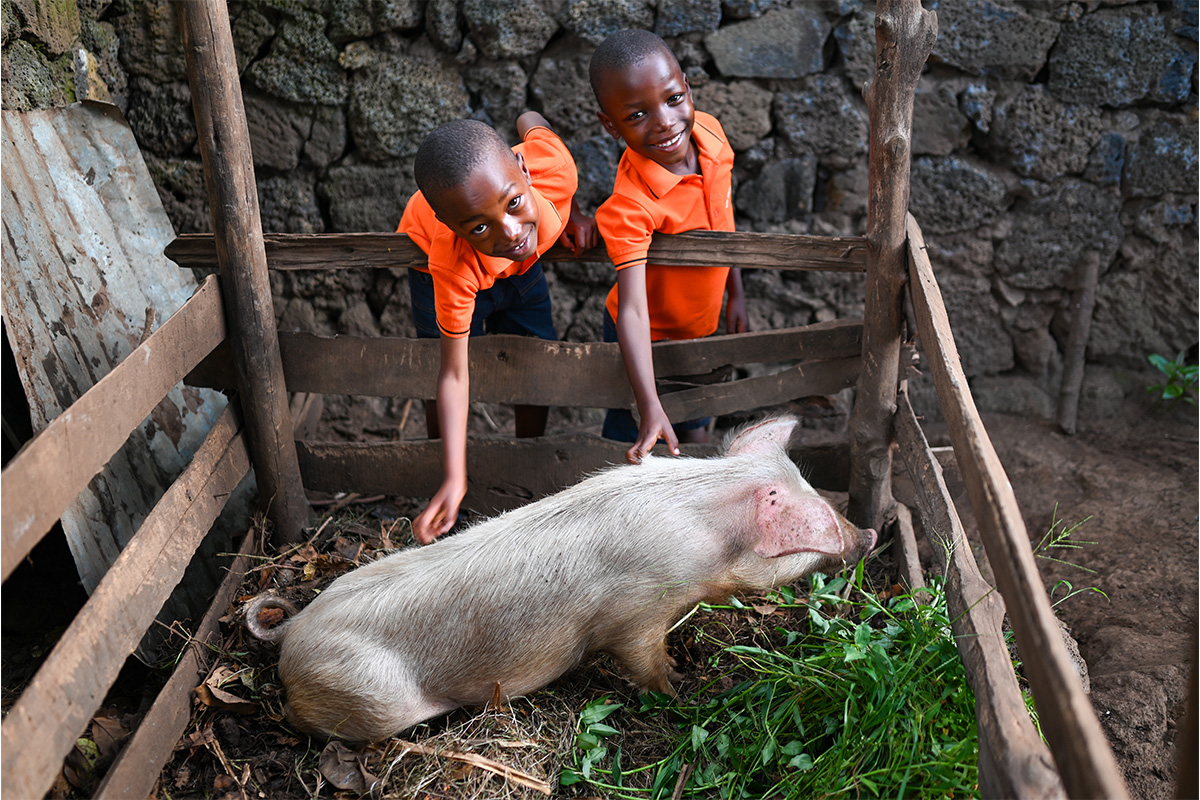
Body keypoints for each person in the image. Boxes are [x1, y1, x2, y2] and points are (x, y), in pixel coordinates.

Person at [398, 113, 597, 543]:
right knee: (443, 357)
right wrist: (457, 477)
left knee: (535, 354)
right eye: (481, 225)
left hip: (522, 271)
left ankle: (527, 464)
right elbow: (453, 373)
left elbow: (531, 119)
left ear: (525, 172)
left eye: (513, 203)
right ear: (453, 226)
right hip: (442, 271)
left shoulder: (555, 167)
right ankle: (444, 479)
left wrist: (574, 211)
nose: (510, 232)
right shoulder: (450, 259)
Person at [589, 29, 748, 465]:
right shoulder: (630, 205)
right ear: (610, 125)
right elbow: (634, 310)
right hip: (644, 339)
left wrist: (736, 293)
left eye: (674, 99)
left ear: (687, 87)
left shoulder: (712, 138)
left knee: (696, 423)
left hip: (704, 323)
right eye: (637, 114)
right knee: (631, 437)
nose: (663, 121)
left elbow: (723, 220)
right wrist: (648, 401)